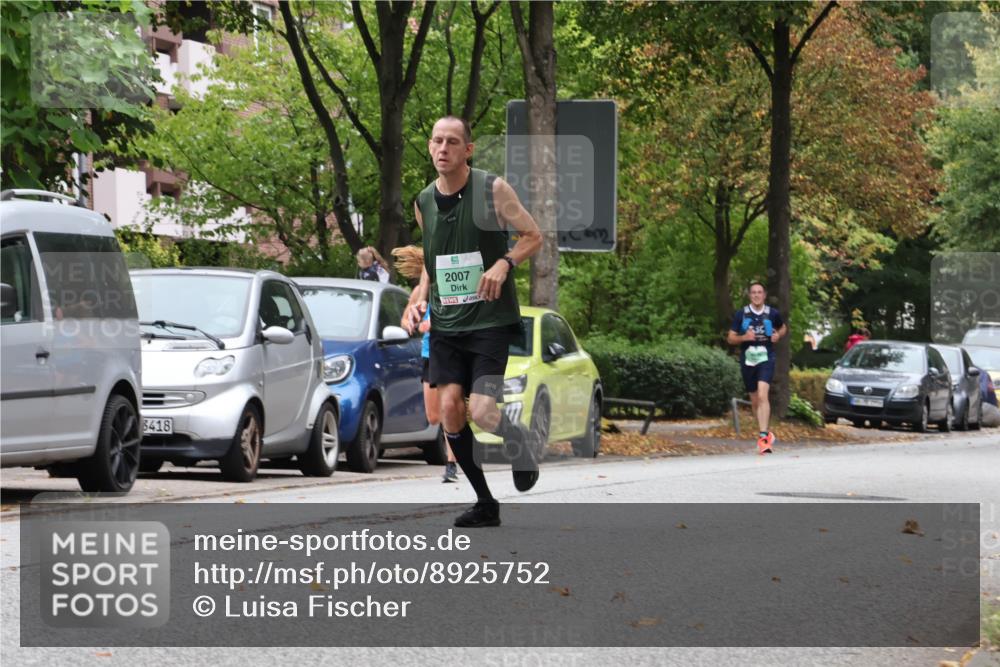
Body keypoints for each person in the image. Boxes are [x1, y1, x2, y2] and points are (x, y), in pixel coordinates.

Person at [401, 115, 543, 528]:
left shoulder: (492, 189)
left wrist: (504, 262)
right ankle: (485, 503)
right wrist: (418, 299)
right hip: (447, 325)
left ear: (468, 149)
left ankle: (519, 441)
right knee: (449, 410)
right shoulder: (424, 201)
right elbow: (433, 261)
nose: (442, 148)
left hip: (488, 322)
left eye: (452, 142)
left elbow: (533, 236)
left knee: (481, 410)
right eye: (436, 141)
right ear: (430, 148)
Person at [392, 244, 458, 482]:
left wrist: (437, 325)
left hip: (451, 352)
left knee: (449, 407)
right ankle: (459, 427)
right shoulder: (420, 291)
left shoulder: (451, 289)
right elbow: (405, 320)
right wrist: (412, 324)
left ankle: (452, 463)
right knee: (433, 417)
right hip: (429, 354)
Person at [727, 281, 788, 454]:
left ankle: (763, 439)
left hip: (766, 357)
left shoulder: (772, 313)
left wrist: (777, 335)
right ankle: (766, 433)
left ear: (764, 295)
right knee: (755, 400)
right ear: (749, 295)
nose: (756, 295)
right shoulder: (742, 314)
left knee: (763, 394)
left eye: (759, 292)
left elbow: (783, 328)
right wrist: (744, 337)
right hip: (748, 360)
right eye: (753, 292)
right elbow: (730, 338)